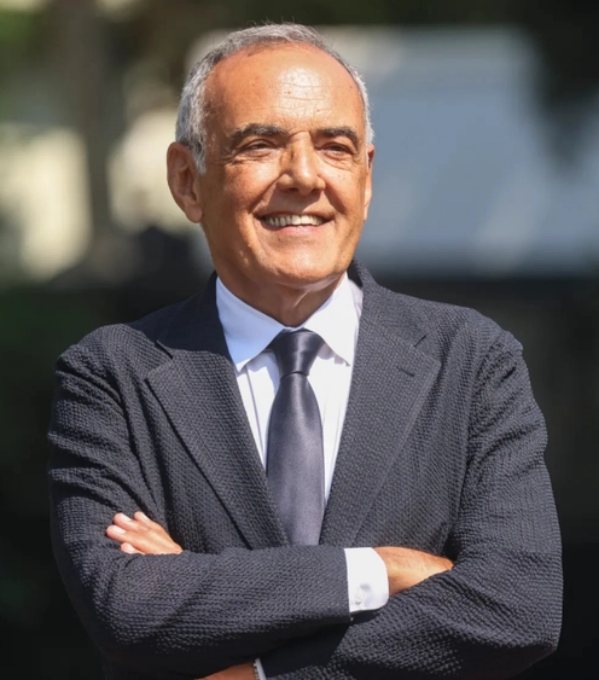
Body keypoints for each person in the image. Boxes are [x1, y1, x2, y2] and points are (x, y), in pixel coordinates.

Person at [48, 23, 562, 679]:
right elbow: (128, 608)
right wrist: (377, 570)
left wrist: (260, 671)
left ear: (366, 178)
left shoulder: (472, 362)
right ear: (186, 180)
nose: (303, 175)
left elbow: (517, 608)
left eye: (334, 148)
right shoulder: (114, 375)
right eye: (260, 146)